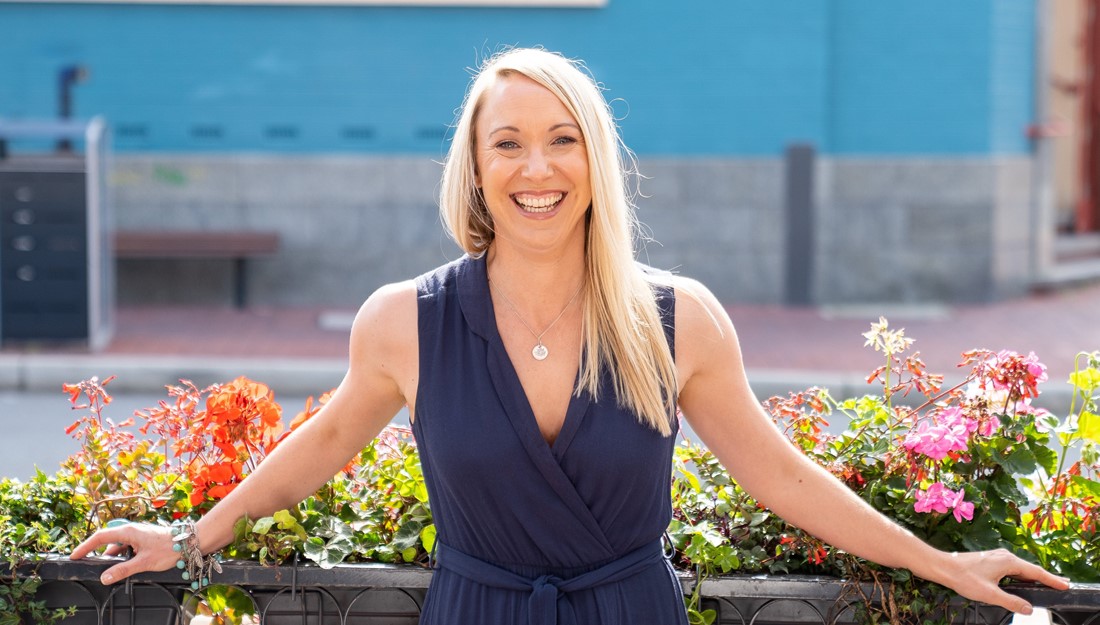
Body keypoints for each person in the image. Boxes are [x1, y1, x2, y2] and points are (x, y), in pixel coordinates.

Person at [72, 47, 1069, 624]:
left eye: (561, 140)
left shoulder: (676, 319)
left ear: (593, 160)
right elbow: (316, 451)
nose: (534, 167)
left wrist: (948, 565)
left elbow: (785, 478)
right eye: (506, 142)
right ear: (473, 164)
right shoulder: (402, 321)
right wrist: (189, 539)